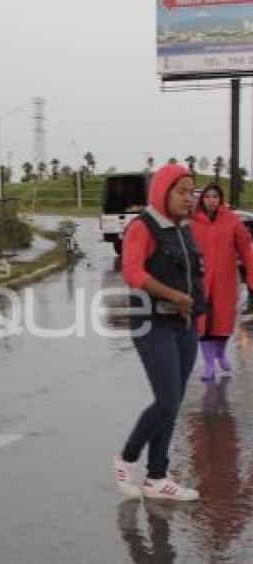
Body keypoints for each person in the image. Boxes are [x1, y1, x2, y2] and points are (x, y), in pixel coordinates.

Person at [113, 164, 204, 501]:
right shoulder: (143, 226)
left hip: (185, 324)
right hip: (152, 323)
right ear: (162, 191)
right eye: (180, 190)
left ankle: (156, 477)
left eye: (190, 191)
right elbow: (131, 272)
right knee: (166, 400)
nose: (188, 197)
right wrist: (173, 295)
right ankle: (126, 458)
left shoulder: (184, 229)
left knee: (174, 402)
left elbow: (195, 276)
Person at [189, 183, 253, 380]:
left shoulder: (233, 222)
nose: (211, 200)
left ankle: (220, 353)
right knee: (204, 323)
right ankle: (209, 364)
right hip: (201, 281)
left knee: (223, 321)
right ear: (202, 199)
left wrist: (250, 276)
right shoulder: (192, 223)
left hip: (225, 280)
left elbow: (245, 250)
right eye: (207, 197)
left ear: (220, 199)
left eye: (214, 197)